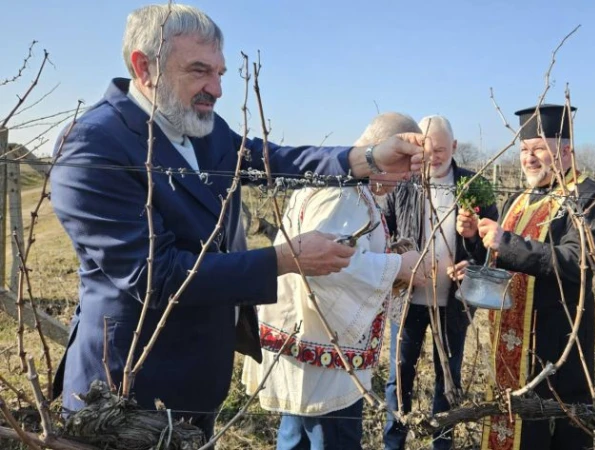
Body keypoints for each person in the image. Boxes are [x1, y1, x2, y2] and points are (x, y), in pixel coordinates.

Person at [47, 4, 425, 441]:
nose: (217, 89)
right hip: (129, 386)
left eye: (221, 73)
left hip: (201, 377)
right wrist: (283, 260)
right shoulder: (93, 146)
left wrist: (368, 159)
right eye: (199, 71)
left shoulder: (202, 128)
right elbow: (156, 274)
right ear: (144, 66)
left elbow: (276, 160)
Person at [241, 112, 427, 450]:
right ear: (384, 149)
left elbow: (343, 247)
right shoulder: (342, 193)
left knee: (297, 435)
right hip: (325, 353)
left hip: (308, 344)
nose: (403, 180)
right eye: (402, 166)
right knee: (329, 438)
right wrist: (400, 265)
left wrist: (386, 251)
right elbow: (329, 268)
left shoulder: (341, 183)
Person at [454, 104, 595, 450]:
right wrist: (473, 247)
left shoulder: (592, 198)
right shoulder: (519, 198)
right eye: (523, 151)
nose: (528, 158)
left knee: (559, 426)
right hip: (511, 341)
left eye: (538, 149)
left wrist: (506, 242)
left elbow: (579, 261)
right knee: (515, 423)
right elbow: (500, 259)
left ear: (566, 150)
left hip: (558, 342)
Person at [382, 115, 499, 450]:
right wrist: (404, 261)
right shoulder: (402, 183)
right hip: (409, 301)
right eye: (428, 149)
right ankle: (394, 442)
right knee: (399, 376)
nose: (434, 157)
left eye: (442, 150)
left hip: (455, 303)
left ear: (455, 147)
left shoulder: (474, 186)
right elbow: (385, 234)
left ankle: (442, 443)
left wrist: (472, 252)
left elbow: (491, 247)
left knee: (448, 378)